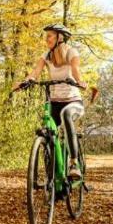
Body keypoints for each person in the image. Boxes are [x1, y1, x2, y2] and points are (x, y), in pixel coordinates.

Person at [16, 23, 88, 180]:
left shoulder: (71, 52)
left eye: (49, 36)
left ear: (59, 37)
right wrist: (26, 81)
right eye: (46, 36)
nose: (46, 39)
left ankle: (74, 163)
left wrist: (79, 81)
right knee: (48, 131)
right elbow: (35, 72)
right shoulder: (46, 55)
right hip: (54, 102)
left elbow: (75, 69)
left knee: (66, 115)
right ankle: (53, 176)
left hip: (73, 101)